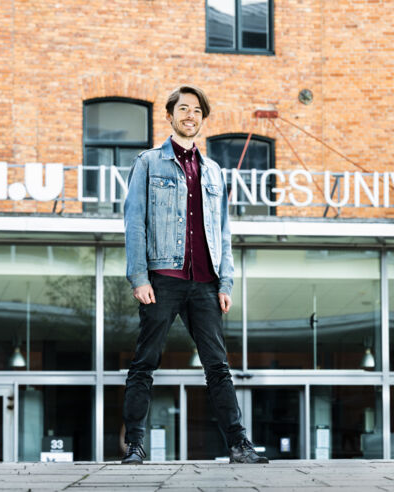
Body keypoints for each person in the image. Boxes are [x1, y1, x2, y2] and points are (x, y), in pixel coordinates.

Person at [121, 85, 268, 465]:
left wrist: (226, 281)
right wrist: (139, 277)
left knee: (218, 367)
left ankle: (239, 445)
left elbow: (222, 231)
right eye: (183, 109)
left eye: (197, 111)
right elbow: (134, 221)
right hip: (162, 278)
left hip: (205, 282)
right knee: (145, 363)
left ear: (203, 118)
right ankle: (134, 445)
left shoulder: (214, 172)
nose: (190, 116)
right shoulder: (148, 162)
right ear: (169, 116)